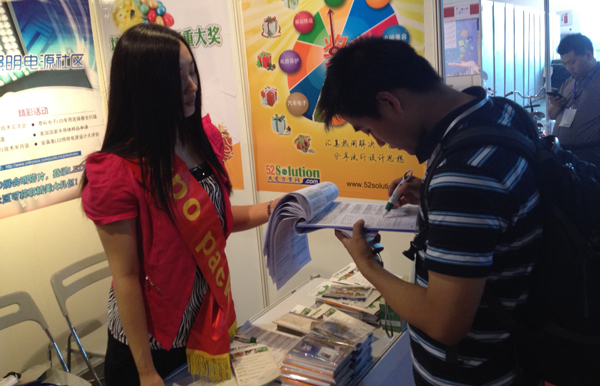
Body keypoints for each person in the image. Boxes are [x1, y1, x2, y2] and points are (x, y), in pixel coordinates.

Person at [317, 37, 542, 385]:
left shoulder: (463, 174)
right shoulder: (499, 112)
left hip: (474, 374)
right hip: (512, 350)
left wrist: (367, 265)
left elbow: (443, 323)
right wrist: (431, 193)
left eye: (369, 129)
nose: (379, 142)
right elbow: (502, 205)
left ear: (390, 102)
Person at [81, 24, 278, 386]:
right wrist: (146, 372)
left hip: (205, 326)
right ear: (145, 88)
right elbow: (126, 277)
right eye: (178, 77)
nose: (192, 87)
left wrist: (274, 209)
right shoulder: (116, 171)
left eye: (192, 72)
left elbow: (214, 220)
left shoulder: (200, 139)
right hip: (151, 346)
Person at [548, 33, 600, 165]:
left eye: (572, 62)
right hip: (563, 152)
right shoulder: (570, 82)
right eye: (565, 64)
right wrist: (556, 105)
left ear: (588, 55)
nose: (569, 68)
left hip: (590, 154)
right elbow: (552, 115)